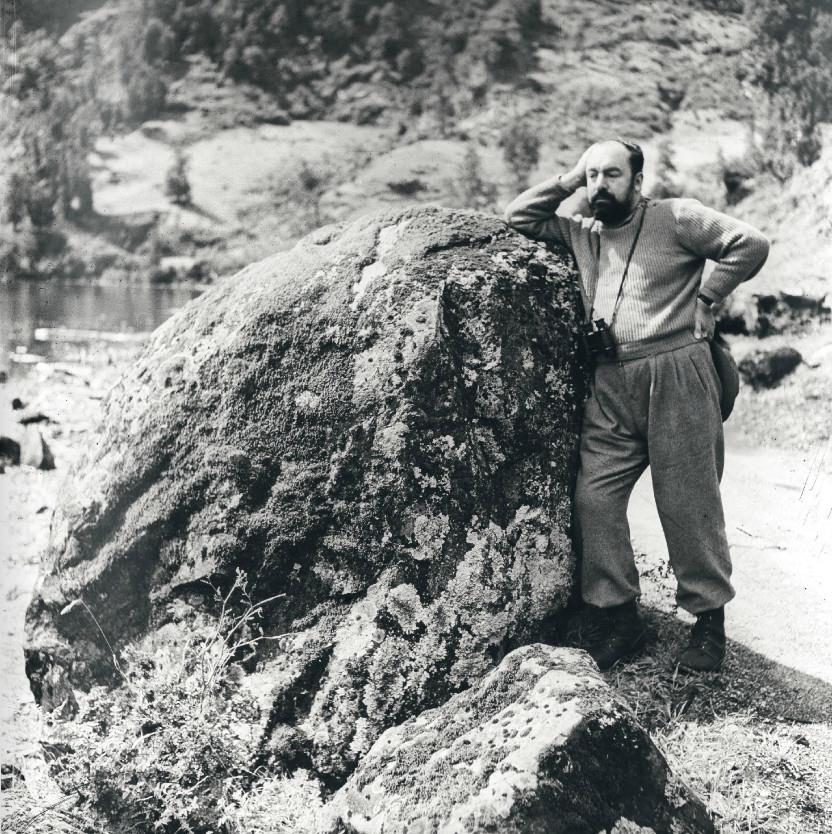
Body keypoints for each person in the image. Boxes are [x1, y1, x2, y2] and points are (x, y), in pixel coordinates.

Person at [503, 139, 770, 672]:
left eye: (613, 175)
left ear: (638, 181)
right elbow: (518, 217)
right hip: (609, 385)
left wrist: (707, 298)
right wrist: (571, 177)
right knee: (594, 498)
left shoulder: (676, 217)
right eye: (594, 175)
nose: (601, 185)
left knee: (687, 502)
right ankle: (620, 615)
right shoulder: (584, 232)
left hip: (677, 373)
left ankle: (708, 621)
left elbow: (749, 243)